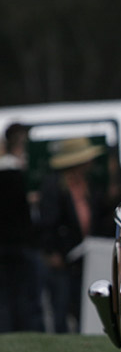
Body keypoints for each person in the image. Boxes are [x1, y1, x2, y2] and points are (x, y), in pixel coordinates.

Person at [38, 137, 106, 333]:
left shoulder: (89, 186)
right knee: (61, 305)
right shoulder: (55, 187)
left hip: (84, 256)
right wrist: (52, 252)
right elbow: (48, 223)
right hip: (63, 257)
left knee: (81, 305)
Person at [0, 122, 44, 332]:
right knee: (23, 295)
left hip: (9, 243)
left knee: (7, 297)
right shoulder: (15, 173)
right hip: (19, 243)